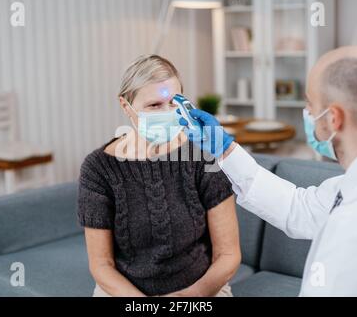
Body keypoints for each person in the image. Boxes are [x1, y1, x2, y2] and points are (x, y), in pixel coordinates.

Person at [179, 46, 357, 296]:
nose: (308, 114)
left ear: (334, 118)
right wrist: (225, 150)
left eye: (310, 105)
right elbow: (299, 207)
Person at [77, 54, 241, 297]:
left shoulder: (202, 156)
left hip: (199, 290)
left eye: (174, 104)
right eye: (154, 105)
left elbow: (228, 255)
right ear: (126, 106)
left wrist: (188, 297)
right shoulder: (98, 168)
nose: (167, 113)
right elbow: (102, 265)